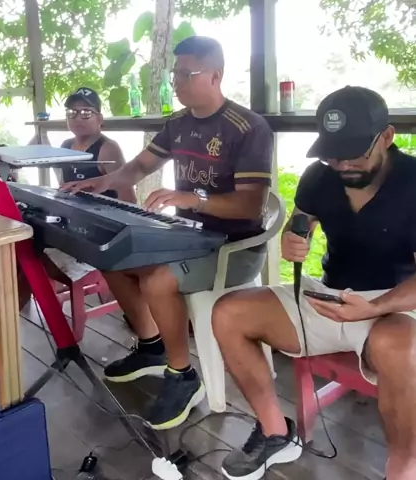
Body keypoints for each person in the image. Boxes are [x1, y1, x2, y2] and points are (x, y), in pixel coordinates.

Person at [60, 36, 274, 430]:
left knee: (159, 280)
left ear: (216, 76)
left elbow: (250, 206)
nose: (177, 82)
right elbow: (140, 167)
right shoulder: (178, 123)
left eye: (187, 74)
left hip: (235, 247)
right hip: (186, 236)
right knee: (111, 255)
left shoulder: (248, 127)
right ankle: (151, 347)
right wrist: (103, 181)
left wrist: (192, 199)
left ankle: (183, 375)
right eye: (175, 74)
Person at [212, 86, 416, 480]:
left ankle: (404, 466)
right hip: (329, 296)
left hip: (395, 305)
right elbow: (301, 222)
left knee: (399, 347)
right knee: (228, 313)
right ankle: (275, 433)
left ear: (387, 137)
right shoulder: (320, 177)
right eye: (333, 153)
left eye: (354, 152)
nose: (343, 164)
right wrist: (294, 237)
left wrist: (374, 308)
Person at [57, 87, 136, 203]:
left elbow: (129, 199)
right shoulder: (66, 146)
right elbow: (63, 188)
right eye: (72, 113)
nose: (78, 118)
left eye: (86, 113)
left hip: (104, 212)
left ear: (100, 119)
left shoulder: (107, 149)